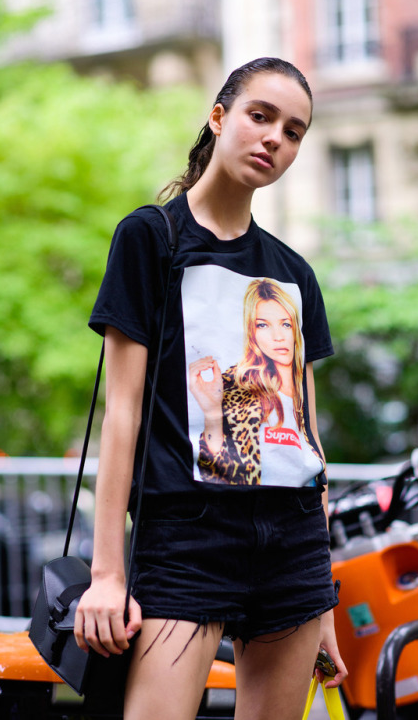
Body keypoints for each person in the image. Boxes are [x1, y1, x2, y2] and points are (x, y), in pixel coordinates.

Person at [74, 56, 348, 720]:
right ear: (219, 118)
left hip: (293, 548)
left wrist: (325, 605)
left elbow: (306, 438)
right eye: (260, 116)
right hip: (187, 541)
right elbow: (122, 414)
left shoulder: (294, 274)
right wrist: (107, 574)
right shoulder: (152, 238)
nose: (274, 138)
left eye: (293, 131)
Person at [189, 277, 324, 487]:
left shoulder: (299, 385)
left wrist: (323, 509)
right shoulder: (237, 388)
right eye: (263, 325)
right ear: (252, 333)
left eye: (286, 324)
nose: (278, 336)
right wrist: (212, 413)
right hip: (245, 504)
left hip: (302, 504)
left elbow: (315, 445)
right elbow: (213, 473)